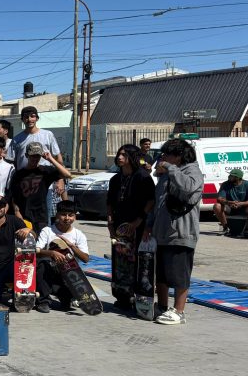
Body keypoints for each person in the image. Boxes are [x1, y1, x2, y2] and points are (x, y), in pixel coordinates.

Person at [152, 138, 204, 325]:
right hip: (162, 231)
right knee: (162, 273)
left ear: (178, 156)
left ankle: (179, 311)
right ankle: (162, 306)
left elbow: (188, 187)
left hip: (182, 232)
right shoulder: (167, 174)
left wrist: (170, 169)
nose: (163, 158)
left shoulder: (193, 171)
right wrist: (151, 226)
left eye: (167, 155)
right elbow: (158, 202)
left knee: (179, 273)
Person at [34, 201, 89, 313]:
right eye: (63, 214)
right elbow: (36, 251)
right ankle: (44, 301)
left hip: (67, 272)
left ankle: (66, 297)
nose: (67, 218)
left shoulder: (79, 234)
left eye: (71, 215)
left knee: (66, 300)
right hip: (49, 270)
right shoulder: (48, 231)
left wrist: (72, 246)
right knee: (42, 264)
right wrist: (51, 253)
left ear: (75, 216)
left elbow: (86, 259)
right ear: (57, 214)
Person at [106, 144, 155, 261]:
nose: (119, 157)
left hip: (138, 226)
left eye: (124, 155)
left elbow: (151, 201)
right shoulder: (115, 179)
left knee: (135, 260)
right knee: (120, 260)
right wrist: (110, 223)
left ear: (132, 157)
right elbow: (110, 202)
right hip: (119, 226)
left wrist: (137, 221)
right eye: (119, 154)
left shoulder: (143, 177)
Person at [10, 142, 72, 235]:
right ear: (27, 155)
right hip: (24, 216)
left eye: (37, 156)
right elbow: (14, 198)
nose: (35, 159)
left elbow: (67, 175)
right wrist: (18, 215)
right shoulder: (18, 174)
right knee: (25, 246)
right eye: (32, 156)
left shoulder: (45, 171)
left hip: (41, 217)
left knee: (41, 246)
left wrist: (51, 159)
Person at [215, 168, 248, 236]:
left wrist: (240, 204)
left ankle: (246, 230)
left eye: (231, 176)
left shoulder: (246, 184)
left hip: (243, 207)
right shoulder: (225, 184)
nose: (229, 177)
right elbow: (219, 198)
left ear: (238, 178)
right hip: (230, 207)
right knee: (217, 206)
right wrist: (229, 202)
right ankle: (226, 228)